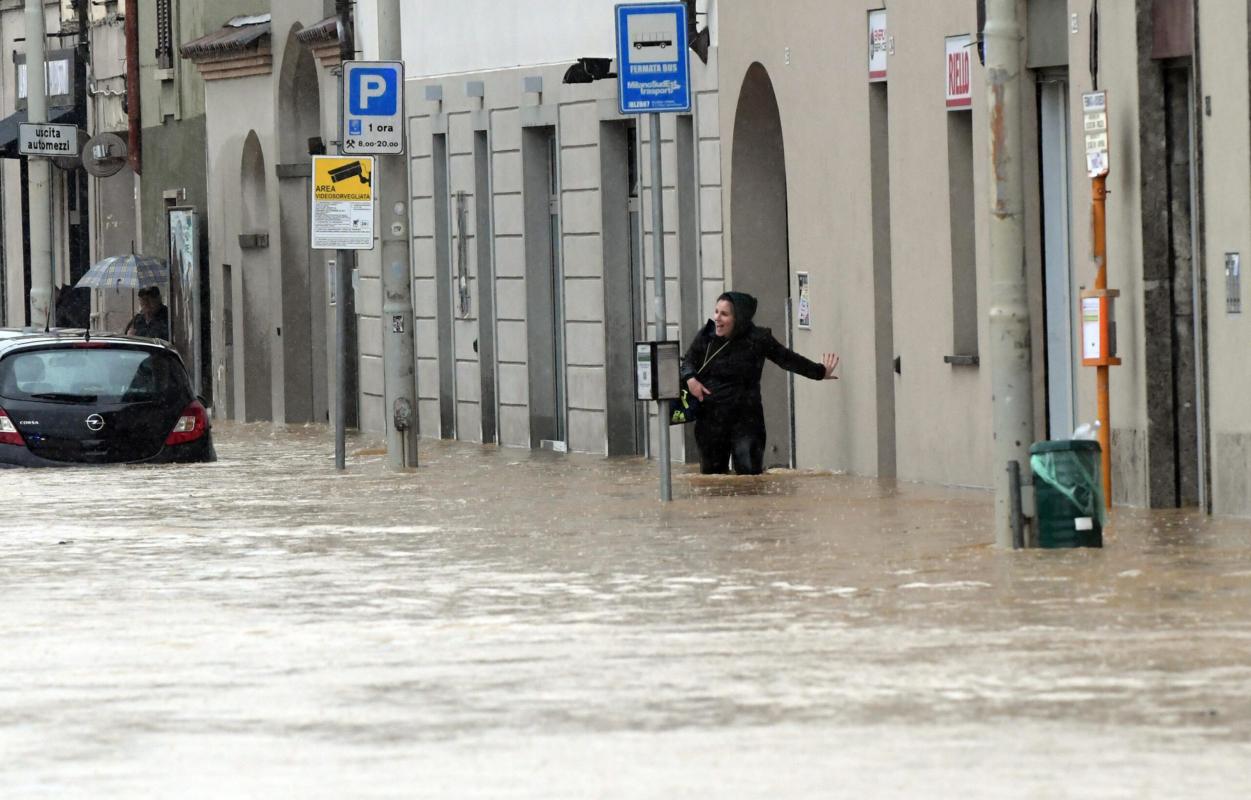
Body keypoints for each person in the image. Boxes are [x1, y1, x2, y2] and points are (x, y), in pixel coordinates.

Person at [681, 291, 839, 475]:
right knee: (713, 480)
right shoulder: (707, 336)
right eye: (716, 312)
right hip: (711, 419)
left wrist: (820, 372)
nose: (717, 318)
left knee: (749, 478)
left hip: (746, 419)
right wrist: (691, 380)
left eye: (724, 314)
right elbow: (688, 360)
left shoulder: (758, 339)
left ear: (738, 317)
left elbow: (787, 359)